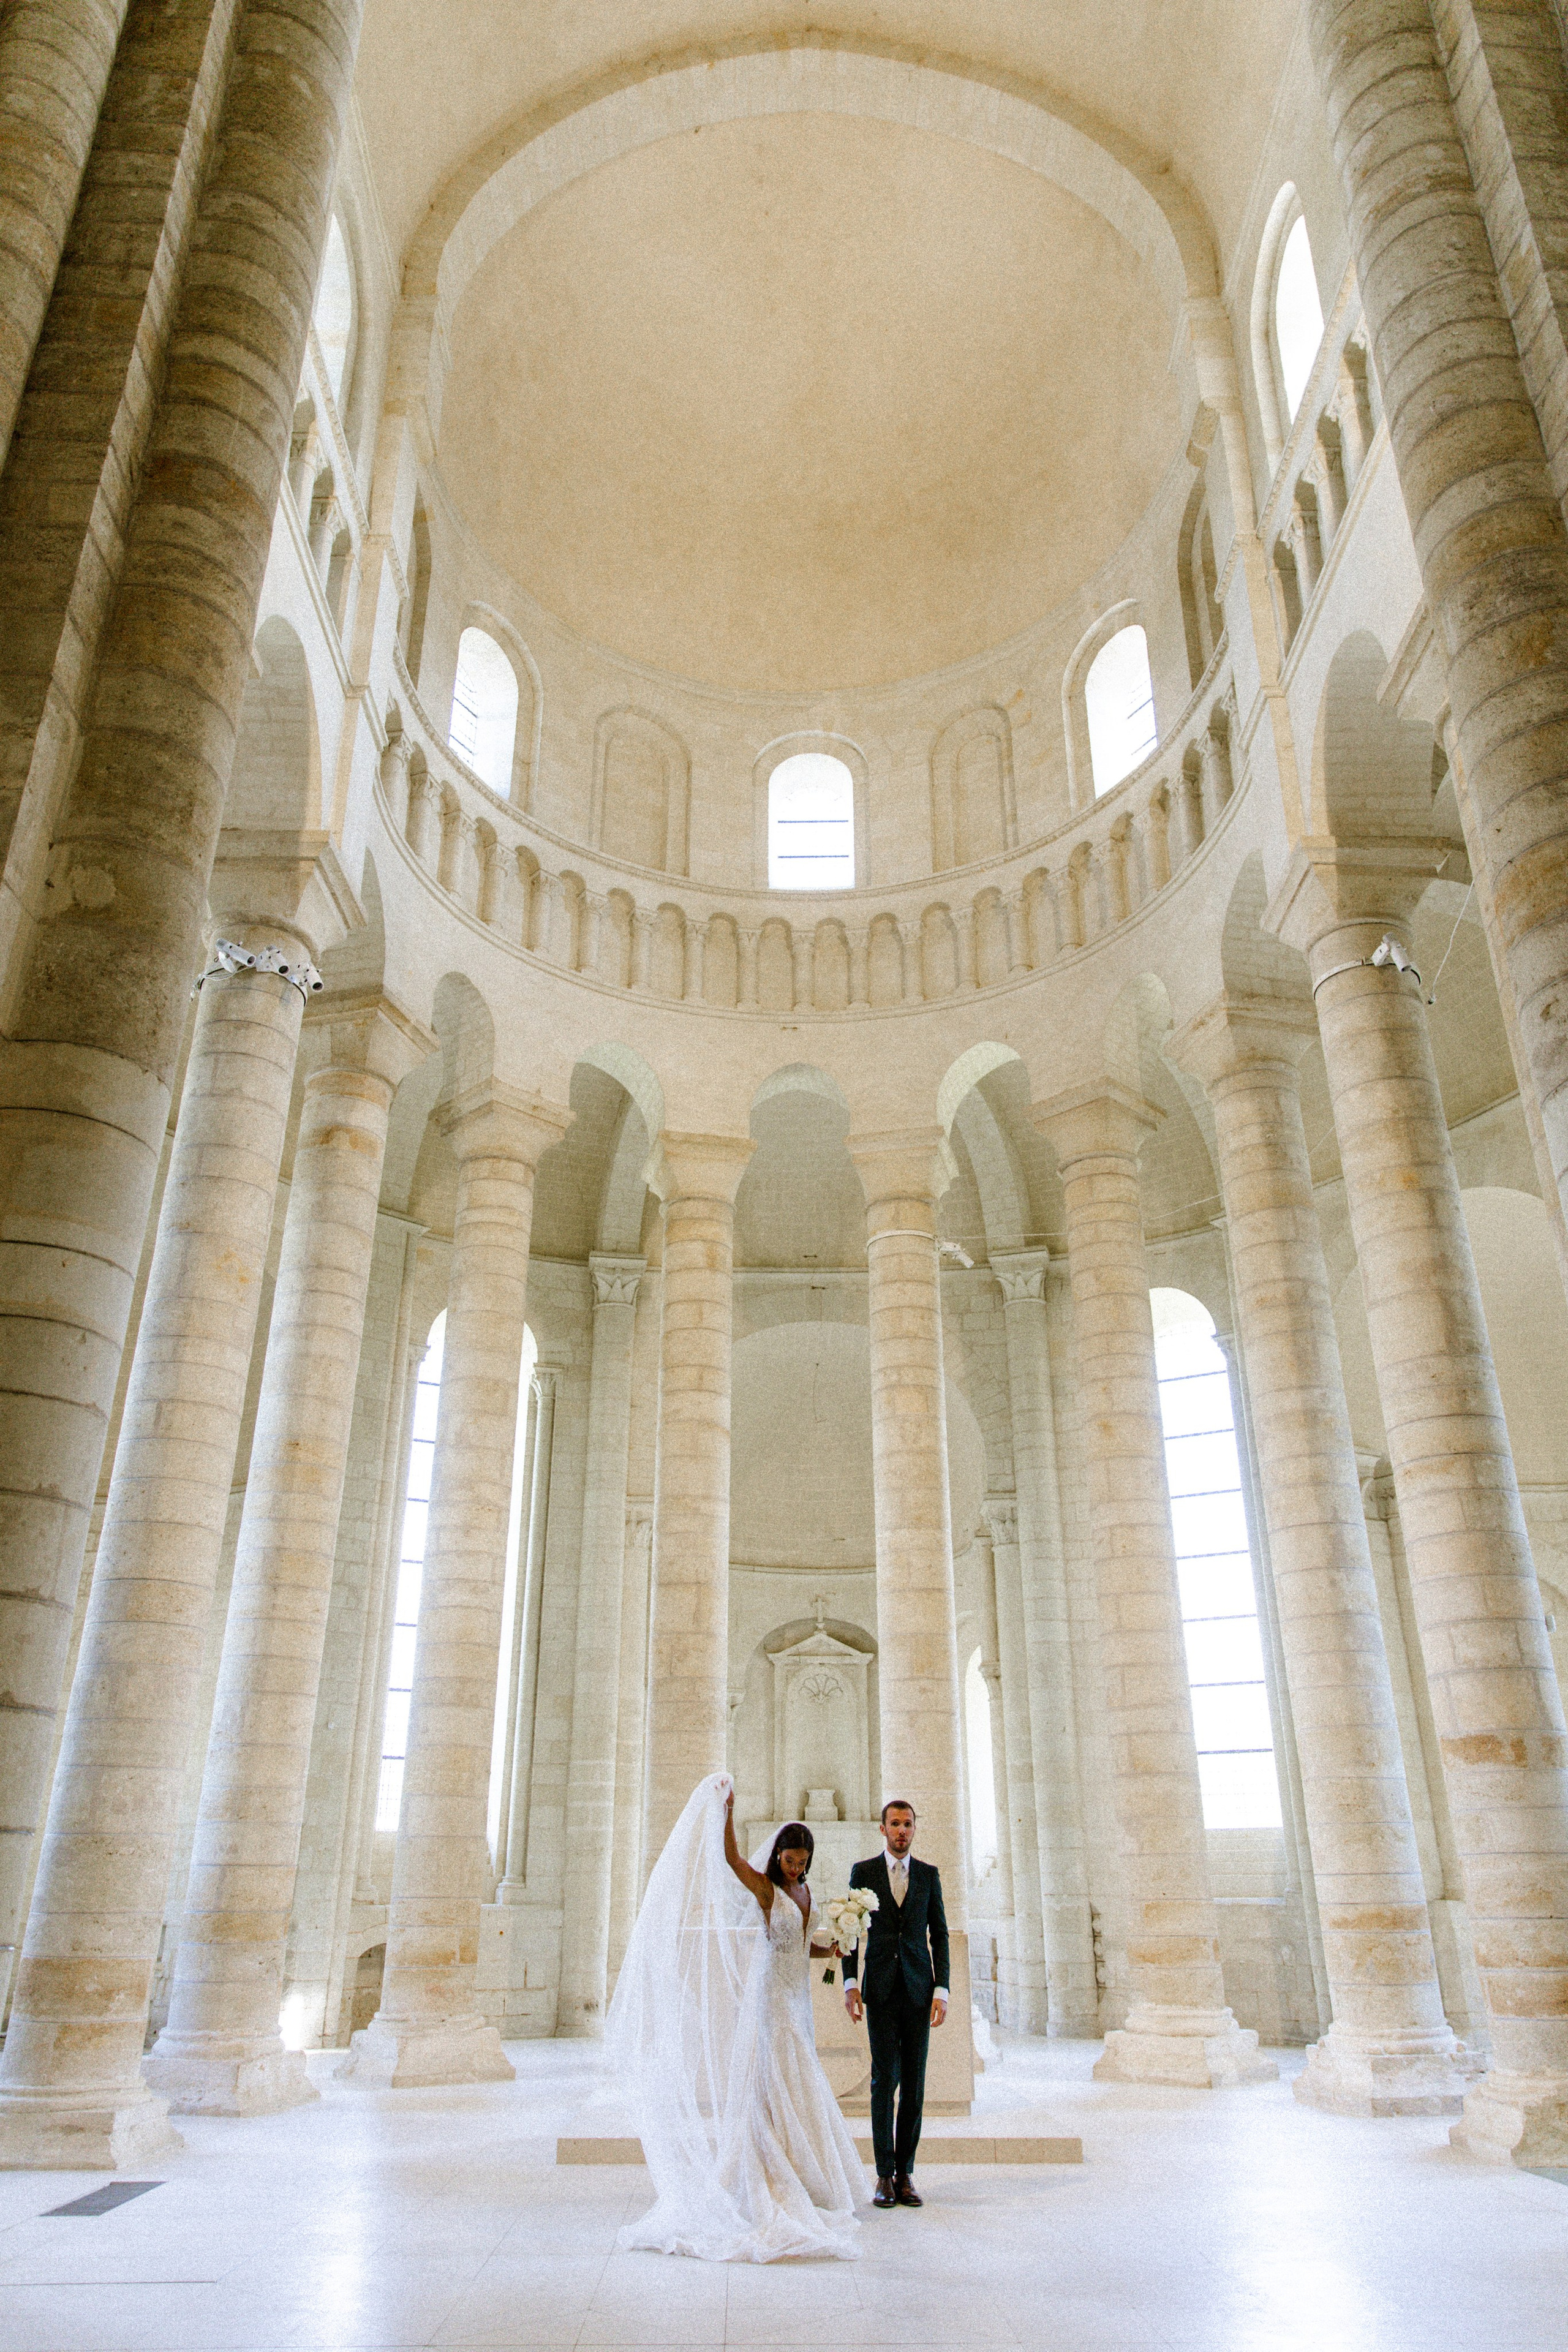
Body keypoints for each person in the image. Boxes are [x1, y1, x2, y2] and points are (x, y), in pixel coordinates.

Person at [606, 1774, 867, 2261]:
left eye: (803, 1863)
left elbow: (799, 1943)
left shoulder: (804, 1893)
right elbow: (730, 1862)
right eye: (790, 1861)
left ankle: (805, 2170)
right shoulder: (766, 1889)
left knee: (799, 2080)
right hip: (769, 1999)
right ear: (778, 1858)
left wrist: (829, 1947)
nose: (795, 1869)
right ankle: (766, 2174)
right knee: (773, 2080)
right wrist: (726, 1812)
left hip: (798, 1997)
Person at [840, 1798, 949, 2209]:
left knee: (915, 2087)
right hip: (881, 1991)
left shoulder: (928, 1875)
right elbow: (849, 1928)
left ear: (914, 1829)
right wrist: (850, 1982)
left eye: (908, 1824)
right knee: (883, 2083)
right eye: (895, 1824)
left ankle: (907, 2175)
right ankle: (884, 2175)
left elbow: (938, 1934)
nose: (902, 1831)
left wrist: (943, 1989)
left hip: (920, 1991)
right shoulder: (864, 1872)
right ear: (882, 1829)